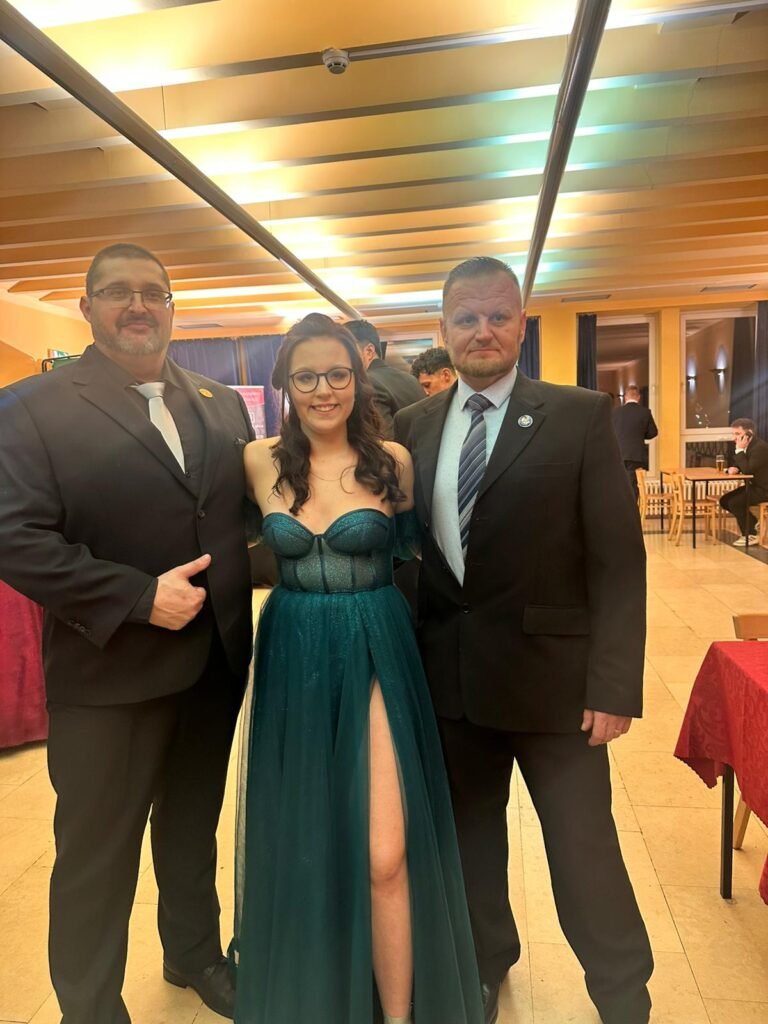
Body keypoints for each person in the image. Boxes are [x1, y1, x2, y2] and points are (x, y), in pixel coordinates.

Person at [394, 257, 653, 1024]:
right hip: (452, 686)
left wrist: (613, 686)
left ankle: (621, 990)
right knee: (471, 845)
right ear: (444, 330)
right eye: (466, 318)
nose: (483, 331)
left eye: (498, 316)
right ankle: (484, 964)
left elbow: (618, 562)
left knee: (584, 851)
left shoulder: (579, 415)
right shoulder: (413, 428)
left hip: (556, 688)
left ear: (521, 324)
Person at [0, 244, 255, 1023]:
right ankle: (89, 1008)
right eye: (118, 292)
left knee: (191, 828)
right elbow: (14, 536)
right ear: (87, 308)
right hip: (107, 674)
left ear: (172, 306)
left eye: (154, 292)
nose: (138, 306)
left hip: (212, 666)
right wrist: (138, 597)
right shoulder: (31, 407)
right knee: (96, 855)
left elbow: (237, 520)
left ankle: (194, 955)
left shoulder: (220, 401)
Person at [234, 313, 482, 1024]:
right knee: (307, 842)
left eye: (337, 373)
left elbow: (427, 559)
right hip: (292, 651)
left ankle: (397, 1016)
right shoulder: (257, 460)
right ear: (286, 384)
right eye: (306, 376)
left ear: (358, 376)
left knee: (385, 854)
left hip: (374, 643)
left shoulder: (393, 461)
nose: (323, 389)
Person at [346, 319, 424, 438]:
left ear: (369, 351)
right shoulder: (411, 379)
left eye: (348, 351)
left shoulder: (367, 383)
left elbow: (384, 443)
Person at [720, 418, 768, 545]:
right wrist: (735, 468)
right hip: (754, 487)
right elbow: (745, 464)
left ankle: (750, 534)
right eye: (733, 434)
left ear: (749, 434)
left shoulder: (760, 448)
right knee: (724, 500)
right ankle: (753, 524)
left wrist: (739, 450)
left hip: (764, 489)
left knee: (735, 502)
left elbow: (748, 470)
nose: (734, 438)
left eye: (737, 434)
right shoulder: (749, 446)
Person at [612, 384, 658, 501]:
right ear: (638, 397)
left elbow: (610, 432)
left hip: (618, 454)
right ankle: (632, 507)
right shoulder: (645, 412)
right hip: (636, 455)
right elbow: (653, 432)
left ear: (625, 397)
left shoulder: (615, 412)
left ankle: (620, 506)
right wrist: (640, 435)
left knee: (619, 482)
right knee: (633, 484)